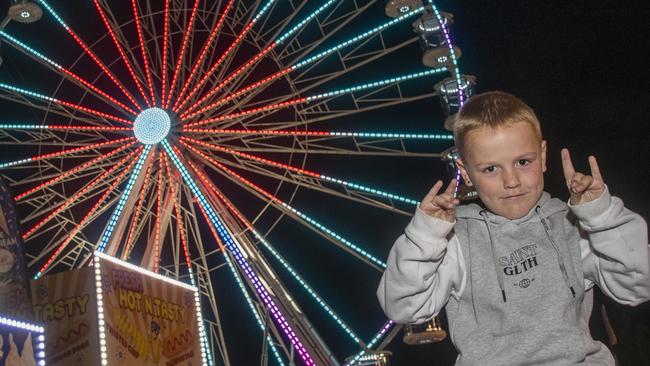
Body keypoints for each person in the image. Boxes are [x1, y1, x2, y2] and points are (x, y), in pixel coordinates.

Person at [377, 91, 650, 365]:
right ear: (465, 172)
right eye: (491, 169)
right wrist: (424, 236)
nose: (511, 181)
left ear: (543, 156)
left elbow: (637, 287)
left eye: (523, 162)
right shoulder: (456, 242)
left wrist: (602, 217)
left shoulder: (571, 227)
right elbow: (403, 307)